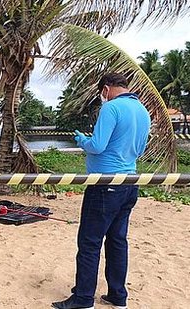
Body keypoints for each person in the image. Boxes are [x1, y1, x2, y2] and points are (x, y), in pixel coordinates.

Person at [52, 73, 151, 309]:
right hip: (130, 182)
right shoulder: (143, 111)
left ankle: (84, 298)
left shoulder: (111, 108)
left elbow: (97, 145)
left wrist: (82, 141)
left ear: (106, 89)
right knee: (117, 241)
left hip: (105, 184)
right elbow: (139, 148)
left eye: (101, 93)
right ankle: (118, 295)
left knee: (89, 242)